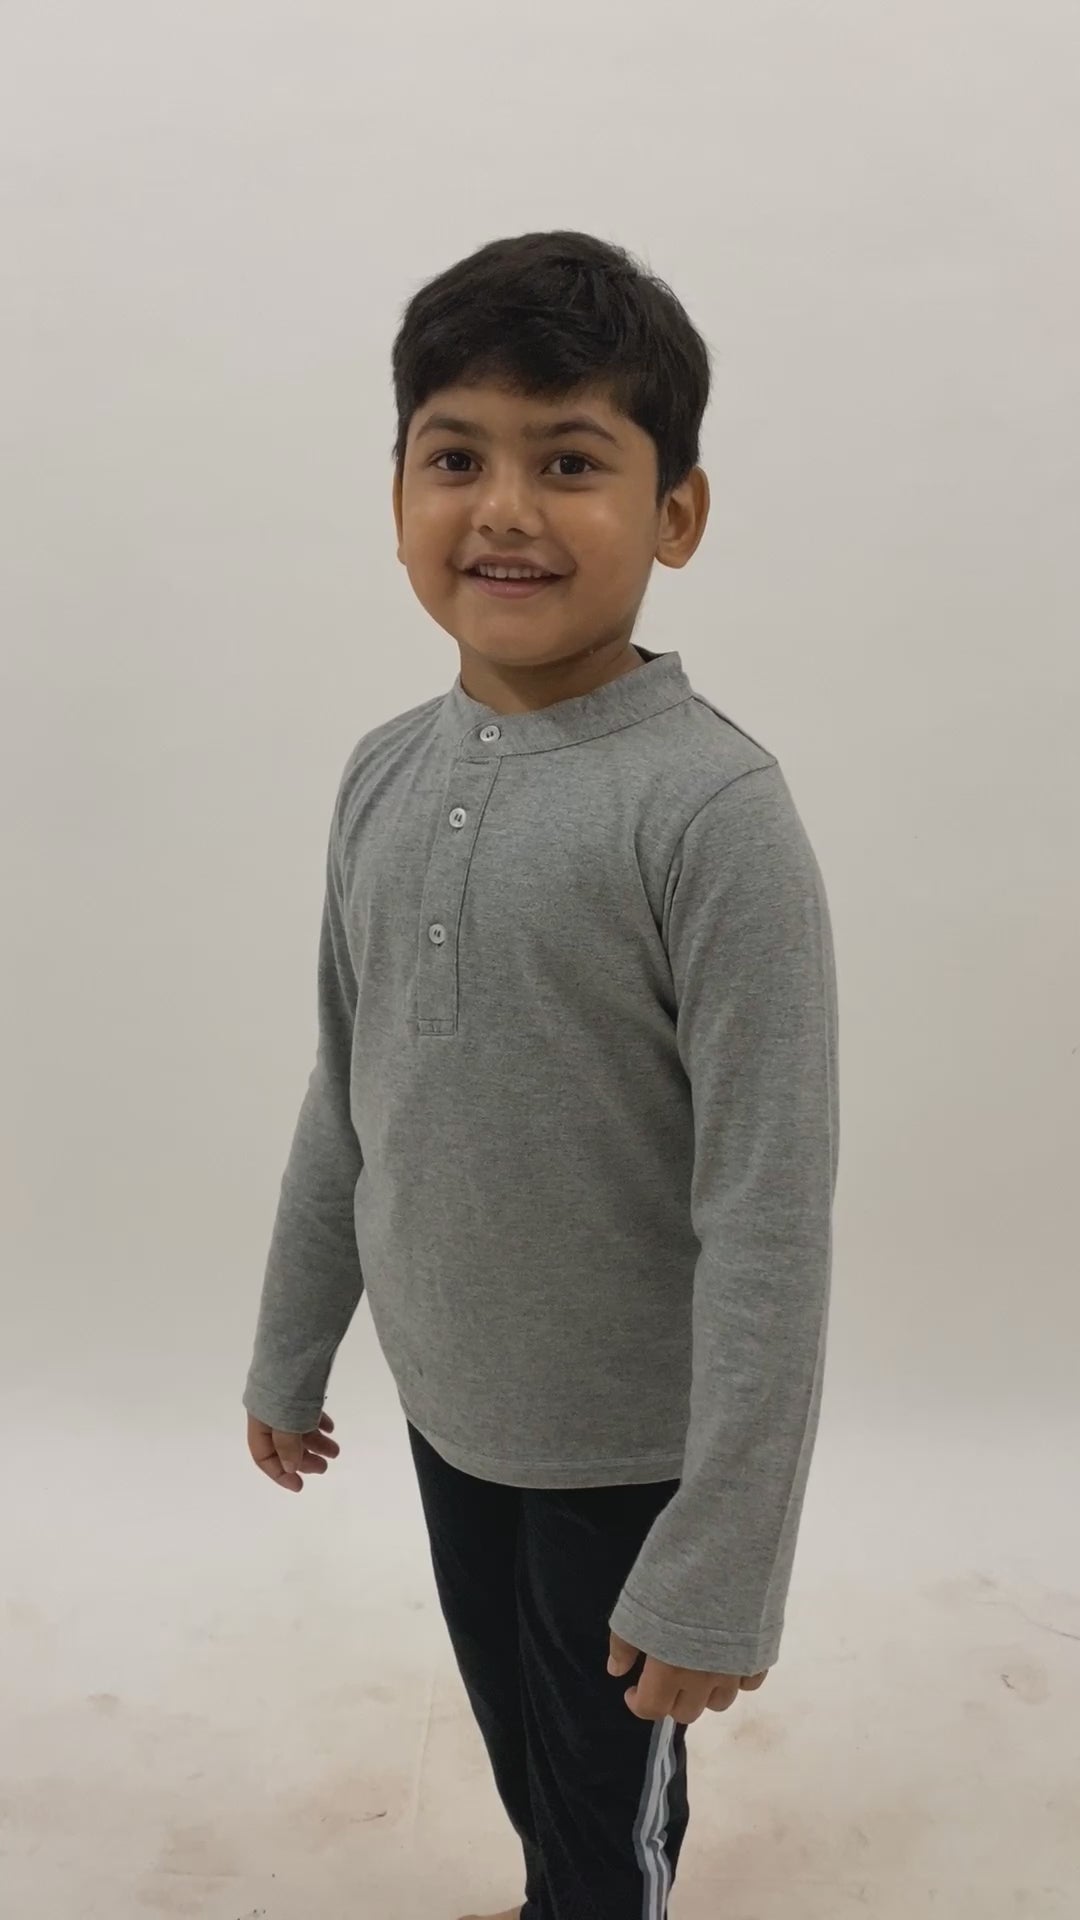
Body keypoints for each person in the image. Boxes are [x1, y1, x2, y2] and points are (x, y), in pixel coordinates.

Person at [243, 229, 840, 1920]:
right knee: (527, 1748)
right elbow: (345, 1094)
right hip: (451, 1411)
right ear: (397, 497)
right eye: (457, 459)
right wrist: (292, 1345)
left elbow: (772, 1216)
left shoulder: (715, 819)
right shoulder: (378, 776)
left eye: (570, 462)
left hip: (628, 1451)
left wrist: (723, 1564)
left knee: (600, 1803)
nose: (503, 509)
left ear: (677, 515)